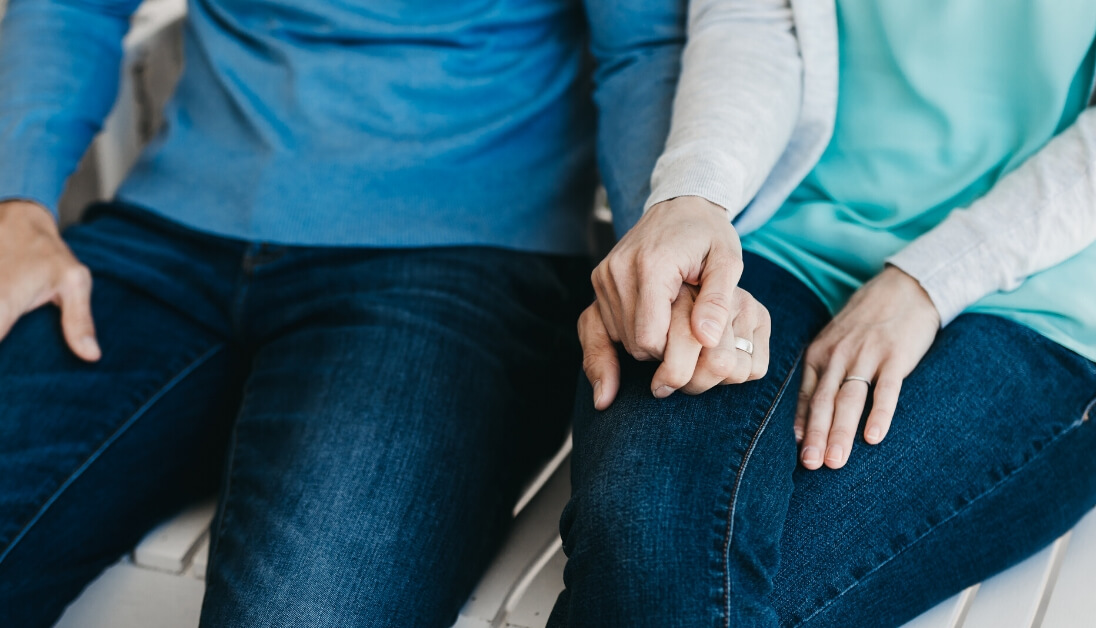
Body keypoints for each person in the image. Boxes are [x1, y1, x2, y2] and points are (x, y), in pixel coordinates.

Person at [0, 0, 695, 626]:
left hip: (458, 257)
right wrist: (17, 200)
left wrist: (655, 251)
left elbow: (644, 50)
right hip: (161, 235)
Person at [551, 0, 1096, 625]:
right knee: (647, 542)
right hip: (776, 237)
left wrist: (929, 280)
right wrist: (694, 199)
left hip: (1043, 287)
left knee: (669, 588)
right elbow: (754, 18)